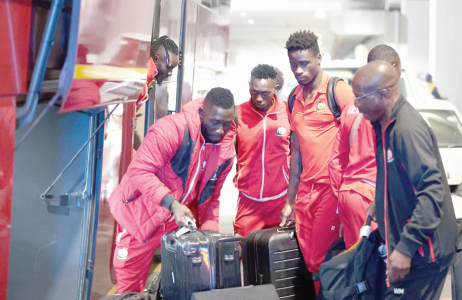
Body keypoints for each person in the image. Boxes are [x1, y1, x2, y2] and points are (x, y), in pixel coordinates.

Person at [109, 87, 236, 293]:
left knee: (190, 284)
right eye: (215, 122)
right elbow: (139, 171)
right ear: (202, 113)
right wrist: (172, 204)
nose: (220, 131)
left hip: (178, 224)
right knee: (129, 290)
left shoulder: (225, 151)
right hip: (139, 217)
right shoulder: (171, 129)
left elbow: (211, 198)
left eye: (226, 124)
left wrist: (210, 236)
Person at [354, 61, 457, 299]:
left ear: (383, 94)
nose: (356, 105)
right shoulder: (383, 124)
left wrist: (406, 248)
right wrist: (380, 202)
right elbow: (398, 178)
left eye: (360, 98)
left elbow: (432, 192)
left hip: (423, 254)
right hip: (408, 250)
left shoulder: (406, 130)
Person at [279, 30, 355, 293]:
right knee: (311, 261)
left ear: (319, 58)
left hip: (331, 192)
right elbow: (296, 152)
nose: (298, 70)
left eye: (304, 63)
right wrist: (290, 201)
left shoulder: (339, 91)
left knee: (326, 260)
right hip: (304, 194)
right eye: (293, 65)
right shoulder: (293, 98)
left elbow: (362, 142)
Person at [328, 44, 401, 249]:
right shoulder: (384, 109)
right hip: (372, 198)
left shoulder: (352, 107)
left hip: (347, 195)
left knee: (358, 263)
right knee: (381, 268)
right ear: (392, 67)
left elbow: (334, 163)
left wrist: (342, 199)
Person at [233, 64, 290, 237]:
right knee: (247, 256)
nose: (258, 98)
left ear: (275, 89)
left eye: (265, 93)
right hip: (248, 202)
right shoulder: (237, 114)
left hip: (280, 200)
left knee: (278, 259)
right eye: (254, 91)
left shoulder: (288, 113)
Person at [136, 35, 180, 106]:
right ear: (156, 59)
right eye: (168, 67)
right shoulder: (140, 78)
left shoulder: (145, 77)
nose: (170, 73)